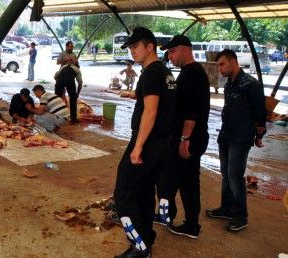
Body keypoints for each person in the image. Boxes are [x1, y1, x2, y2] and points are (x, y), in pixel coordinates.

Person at [112, 27, 176, 258]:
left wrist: (138, 146)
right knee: (144, 192)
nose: (132, 51)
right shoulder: (165, 73)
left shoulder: (150, 73)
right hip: (162, 142)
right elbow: (157, 102)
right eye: (130, 47)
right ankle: (147, 237)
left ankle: (139, 246)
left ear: (151, 46)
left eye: (136, 46)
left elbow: (151, 112)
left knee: (123, 194)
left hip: (147, 142)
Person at [155, 35, 210, 239]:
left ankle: (189, 225)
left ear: (186, 50)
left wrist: (184, 139)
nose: (170, 57)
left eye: (172, 51)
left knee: (179, 182)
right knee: (179, 181)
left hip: (189, 140)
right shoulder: (188, 72)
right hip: (186, 138)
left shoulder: (193, 74)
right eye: (168, 53)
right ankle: (170, 216)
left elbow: (192, 112)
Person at [205, 49, 266, 232]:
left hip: (241, 137)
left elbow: (260, 114)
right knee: (225, 173)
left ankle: (240, 215)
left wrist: (259, 136)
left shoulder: (251, 84)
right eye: (218, 66)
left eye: (222, 64)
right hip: (226, 135)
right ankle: (226, 208)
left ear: (233, 61)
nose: (220, 69)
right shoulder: (229, 84)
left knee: (235, 175)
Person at [55, 58, 83, 124]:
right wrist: (77, 94)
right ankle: (73, 119)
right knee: (73, 99)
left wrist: (60, 86)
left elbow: (55, 76)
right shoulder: (77, 70)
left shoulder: (63, 67)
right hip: (70, 81)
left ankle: (56, 118)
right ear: (77, 66)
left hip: (60, 81)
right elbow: (80, 83)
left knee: (56, 99)